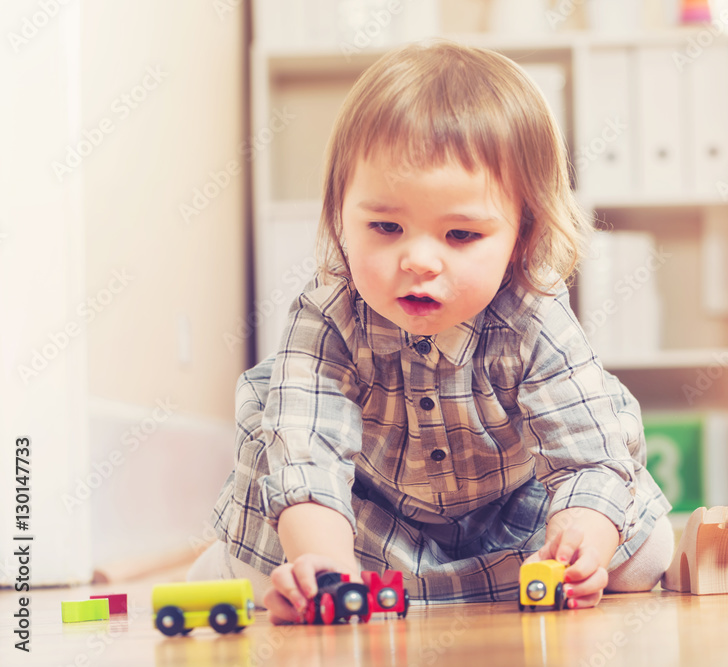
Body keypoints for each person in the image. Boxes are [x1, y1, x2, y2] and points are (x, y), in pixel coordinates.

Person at [189, 38, 673, 624]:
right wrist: (324, 571)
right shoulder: (327, 321)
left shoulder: (536, 319)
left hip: (509, 515)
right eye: (386, 225)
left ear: (522, 234)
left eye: (461, 235)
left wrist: (580, 544)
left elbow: (586, 458)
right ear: (340, 218)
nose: (419, 260)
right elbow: (308, 454)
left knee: (643, 557)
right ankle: (238, 565)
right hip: (368, 519)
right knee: (263, 569)